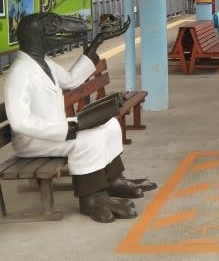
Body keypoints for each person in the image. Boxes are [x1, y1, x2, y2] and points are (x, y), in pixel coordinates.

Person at [4, 12, 157, 223]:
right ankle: (92, 198)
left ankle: (114, 180)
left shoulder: (44, 62)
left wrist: (98, 42)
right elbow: (20, 122)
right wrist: (67, 130)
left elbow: (71, 80)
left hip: (55, 130)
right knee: (89, 140)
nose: (64, 28)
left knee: (110, 125)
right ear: (35, 36)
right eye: (54, 25)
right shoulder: (19, 73)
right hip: (34, 141)